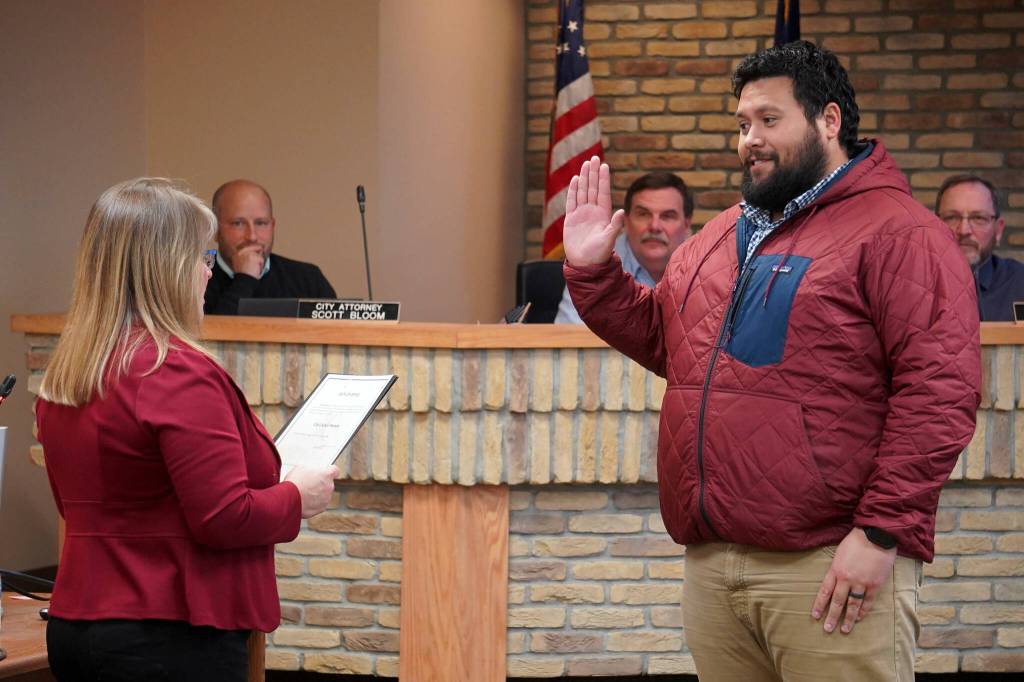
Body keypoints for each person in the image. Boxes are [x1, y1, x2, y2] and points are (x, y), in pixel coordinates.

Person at [562, 41, 980, 681]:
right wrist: (593, 273)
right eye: (741, 124)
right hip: (715, 562)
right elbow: (672, 342)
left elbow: (939, 394)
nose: (748, 140)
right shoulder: (724, 232)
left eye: (768, 120)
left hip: (829, 564)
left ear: (829, 121)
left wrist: (880, 534)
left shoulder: (901, 232)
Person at [36, 178, 338, 681]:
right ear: (166, 269)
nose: (206, 273)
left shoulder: (71, 372)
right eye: (201, 257)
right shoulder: (173, 372)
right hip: (168, 635)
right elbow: (224, 518)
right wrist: (295, 496)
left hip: (76, 626)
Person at [556, 171, 693, 323]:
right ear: (626, 221)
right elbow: (570, 336)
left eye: (667, 216)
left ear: (686, 225)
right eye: (643, 214)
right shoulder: (596, 262)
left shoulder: (706, 266)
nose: (655, 226)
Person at [204, 179, 336, 314]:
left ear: (272, 226)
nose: (252, 236)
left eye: (261, 223)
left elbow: (336, 332)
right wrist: (245, 280)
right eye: (238, 223)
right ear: (215, 229)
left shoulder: (308, 278)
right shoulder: (191, 279)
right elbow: (209, 333)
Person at [936, 173, 1024, 321]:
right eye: (951, 217)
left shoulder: (1020, 283)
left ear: (998, 230)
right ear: (935, 225)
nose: (964, 230)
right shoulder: (914, 284)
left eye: (978, 218)